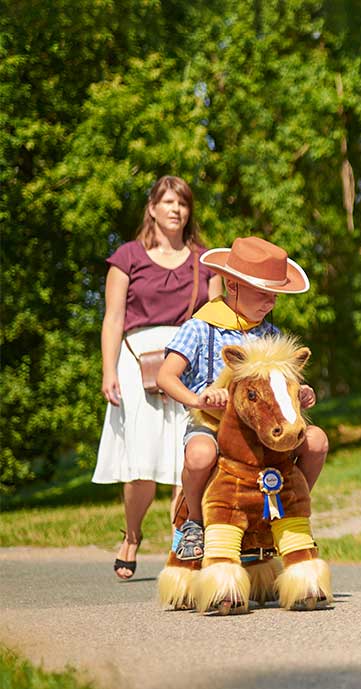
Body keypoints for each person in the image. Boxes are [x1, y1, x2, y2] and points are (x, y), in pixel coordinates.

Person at [157, 236, 329, 562]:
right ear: (233, 285)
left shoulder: (271, 335)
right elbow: (165, 377)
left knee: (316, 442)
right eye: (264, 294)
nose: (272, 302)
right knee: (200, 453)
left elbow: (284, 384)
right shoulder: (200, 327)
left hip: (264, 428)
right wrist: (198, 399)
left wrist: (301, 395)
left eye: (275, 295)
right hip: (212, 422)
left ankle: (282, 511)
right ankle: (193, 521)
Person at [94, 175, 223, 580]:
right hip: (136, 363)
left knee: (186, 461)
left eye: (182, 203)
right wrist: (108, 369)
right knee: (141, 465)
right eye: (168, 202)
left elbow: (217, 320)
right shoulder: (128, 256)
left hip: (191, 365)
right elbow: (113, 317)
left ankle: (180, 549)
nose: (176, 210)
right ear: (152, 208)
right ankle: (132, 535)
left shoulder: (205, 261)